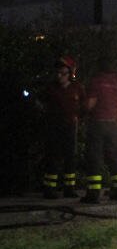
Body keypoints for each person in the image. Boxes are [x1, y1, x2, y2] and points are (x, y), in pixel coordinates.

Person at [39, 57, 85, 199]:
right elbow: (41, 103)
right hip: (53, 126)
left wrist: (78, 117)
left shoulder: (77, 87)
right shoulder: (50, 88)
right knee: (53, 157)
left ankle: (69, 188)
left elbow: (84, 105)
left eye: (63, 73)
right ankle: (49, 189)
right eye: (58, 73)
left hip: (70, 126)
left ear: (70, 74)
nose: (59, 76)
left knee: (70, 157)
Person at [80, 59, 117, 204]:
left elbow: (90, 104)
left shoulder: (96, 82)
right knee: (113, 157)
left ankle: (93, 194)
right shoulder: (116, 83)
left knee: (94, 157)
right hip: (112, 124)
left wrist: (82, 111)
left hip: (97, 123)